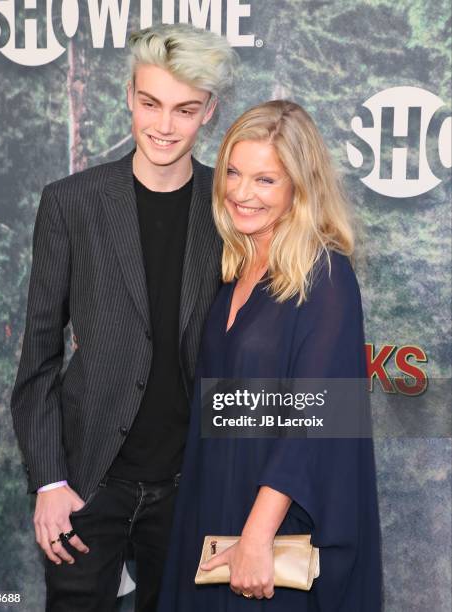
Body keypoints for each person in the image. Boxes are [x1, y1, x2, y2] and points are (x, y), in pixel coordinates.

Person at [10, 23, 237, 612]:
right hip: (89, 482)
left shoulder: (230, 209)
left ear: (208, 111)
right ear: (130, 98)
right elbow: (37, 358)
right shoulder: (71, 202)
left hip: (193, 484)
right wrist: (51, 483)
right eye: (150, 103)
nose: (164, 125)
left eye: (185, 109)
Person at [156, 100, 382, 611]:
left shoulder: (324, 274)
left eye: (265, 180)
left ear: (299, 188)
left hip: (274, 518)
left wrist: (257, 536)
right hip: (212, 499)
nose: (240, 192)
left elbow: (317, 417)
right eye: (234, 172)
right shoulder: (236, 265)